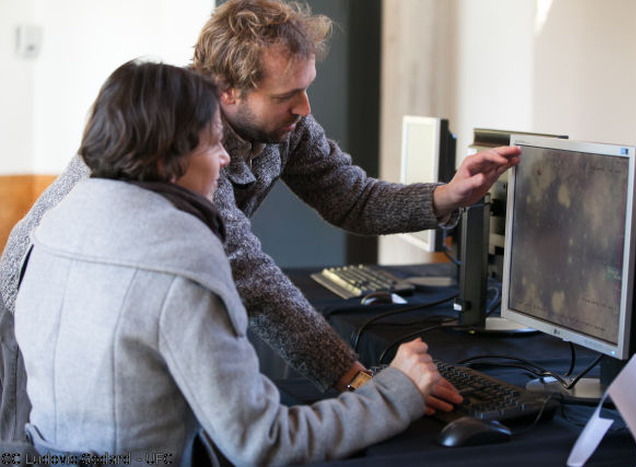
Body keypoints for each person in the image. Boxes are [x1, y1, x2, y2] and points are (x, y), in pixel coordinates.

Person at [0, 0, 519, 439]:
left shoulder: (287, 125)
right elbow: (254, 280)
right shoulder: (184, 143)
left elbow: (351, 197)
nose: (304, 107)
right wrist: (361, 385)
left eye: (306, 87)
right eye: (286, 95)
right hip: (46, 297)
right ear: (227, 90)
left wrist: (448, 196)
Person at [14, 59, 441, 465]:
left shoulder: (54, 226)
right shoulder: (182, 264)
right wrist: (394, 391)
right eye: (213, 143)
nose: (224, 159)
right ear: (167, 160)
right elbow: (262, 441)